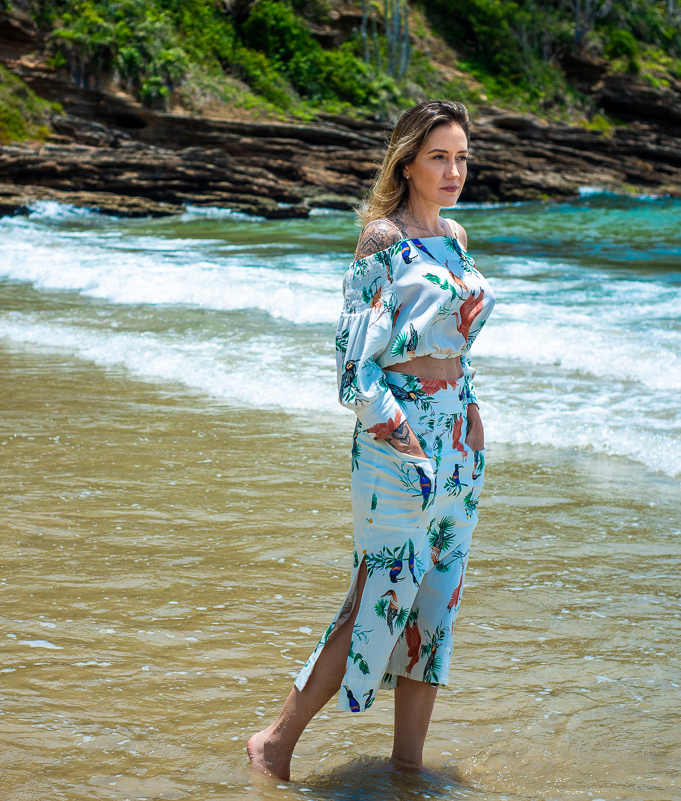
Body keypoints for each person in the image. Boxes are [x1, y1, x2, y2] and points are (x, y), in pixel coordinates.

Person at [247, 100, 495, 781]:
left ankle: (407, 765)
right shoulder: (381, 241)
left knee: (436, 605)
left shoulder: (456, 237)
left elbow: (452, 340)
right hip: (395, 438)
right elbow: (354, 370)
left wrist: (470, 406)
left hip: (458, 439)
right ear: (407, 163)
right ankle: (274, 742)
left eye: (462, 157)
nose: (454, 171)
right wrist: (407, 441)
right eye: (439, 157)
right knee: (377, 598)